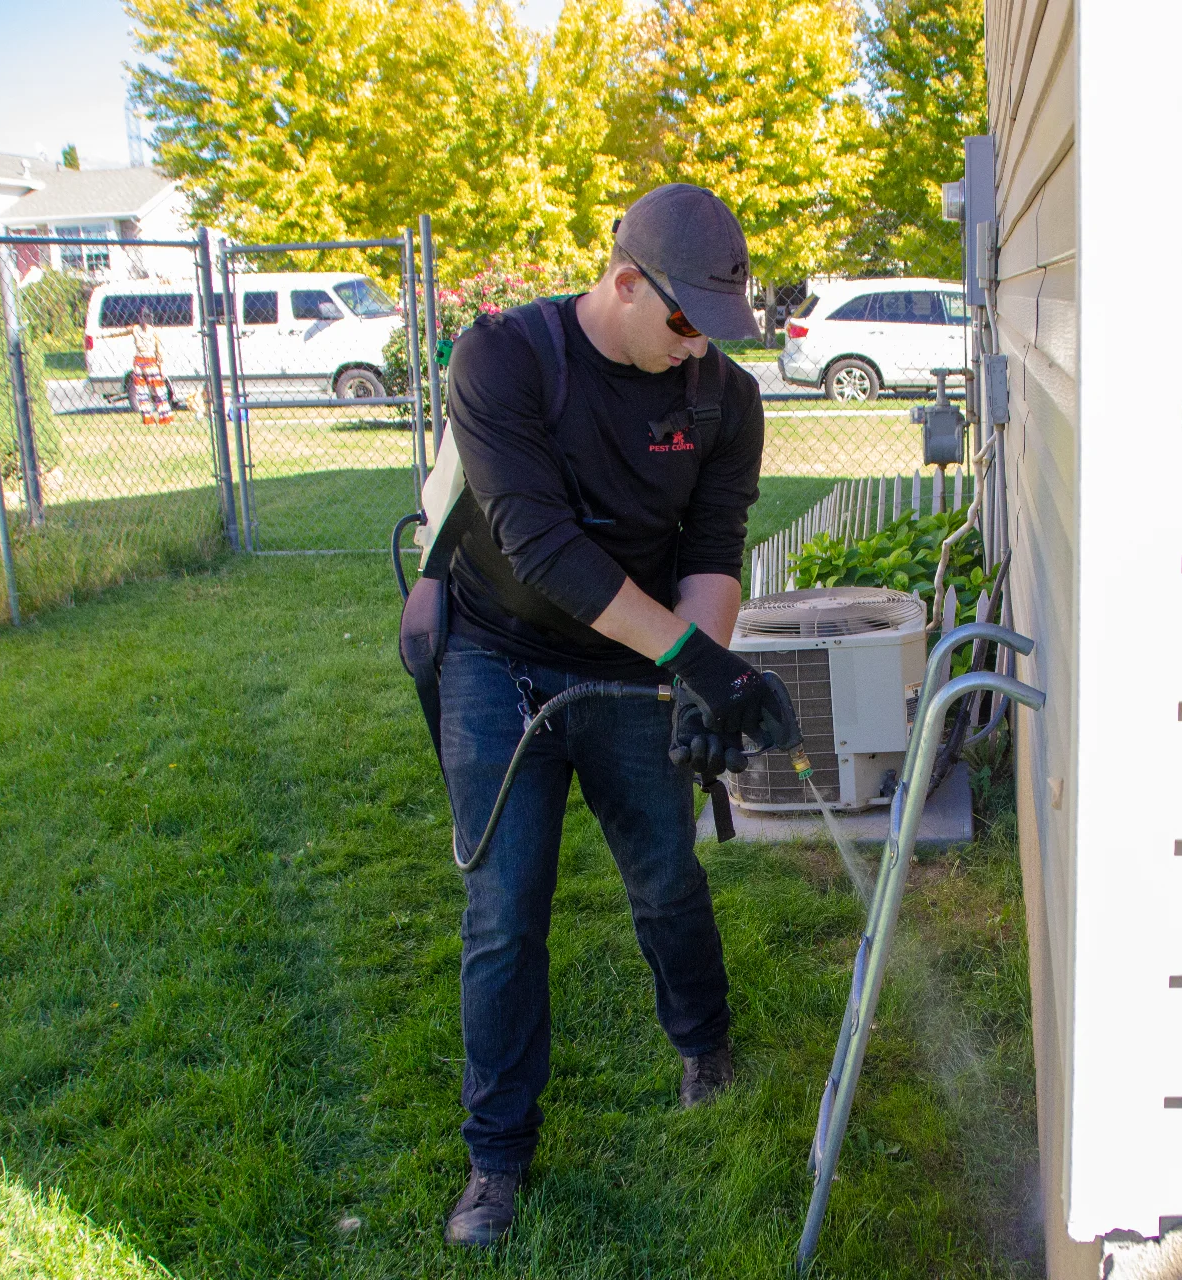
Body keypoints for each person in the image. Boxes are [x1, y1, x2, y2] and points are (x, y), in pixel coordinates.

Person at [433, 184, 776, 1247]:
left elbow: (714, 548)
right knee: (506, 908)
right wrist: (691, 657)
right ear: (623, 281)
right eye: (681, 322)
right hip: (500, 657)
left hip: (638, 662)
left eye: (713, 331)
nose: (694, 350)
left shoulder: (724, 396)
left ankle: (705, 1046)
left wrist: (703, 668)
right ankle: (497, 1157)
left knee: (666, 874)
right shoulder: (503, 361)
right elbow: (540, 548)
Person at [100, 305, 175, 426]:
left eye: (145, 318)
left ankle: (165, 417)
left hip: (151, 362)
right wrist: (103, 336)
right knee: (142, 392)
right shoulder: (134, 329)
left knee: (159, 391)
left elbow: (158, 350)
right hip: (139, 362)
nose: (143, 321)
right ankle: (148, 418)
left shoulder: (153, 331)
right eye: (142, 317)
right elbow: (120, 332)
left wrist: (160, 368)